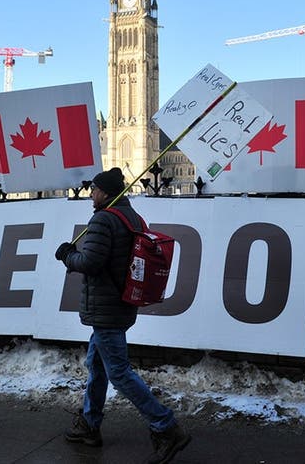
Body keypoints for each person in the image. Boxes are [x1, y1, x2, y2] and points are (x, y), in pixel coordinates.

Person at [55, 168, 191, 464]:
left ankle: (166, 427)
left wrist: (67, 255)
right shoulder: (132, 217)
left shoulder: (103, 218)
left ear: (105, 192)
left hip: (106, 309)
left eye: (94, 189)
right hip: (120, 304)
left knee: (118, 372)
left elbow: (91, 262)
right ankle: (90, 425)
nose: (91, 193)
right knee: (97, 364)